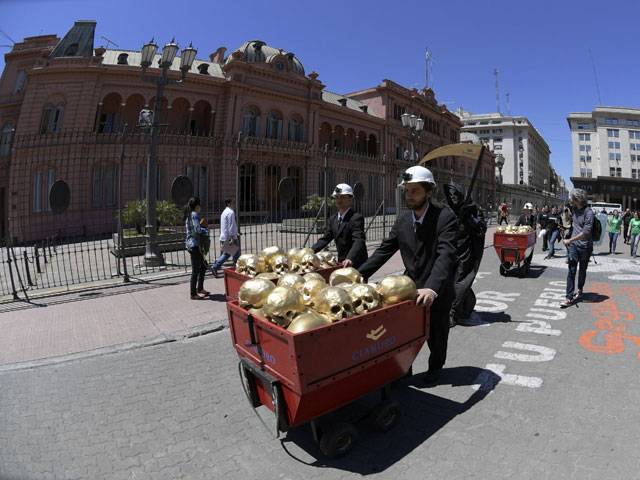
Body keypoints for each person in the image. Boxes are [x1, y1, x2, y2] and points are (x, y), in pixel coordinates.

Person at [358, 166, 458, 384]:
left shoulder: (445, 217)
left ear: (429, 191)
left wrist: (432, 288)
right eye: (407, 191)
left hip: (436, 288)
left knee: (437, 335)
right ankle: (405, 368)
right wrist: (356, 275)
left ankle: (435, 369)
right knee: (403, 334)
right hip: (409, 287)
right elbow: (384, 250)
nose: (409, 196)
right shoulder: (403, 220)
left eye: (415, 191)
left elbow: (445, 256)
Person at [443, 183, 486, 328]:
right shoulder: (446, 209)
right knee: (448, 281)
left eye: (455, 194)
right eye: (450, 195)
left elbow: (481, 227)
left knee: (461, 281)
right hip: (448, 252)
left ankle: (452, 312)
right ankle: (465, 305)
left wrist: (470, 219)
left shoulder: (472, 208)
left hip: (465, 252)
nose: (453, 198)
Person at [312, 183, 368, 268]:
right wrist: (311, 250)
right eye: (336, 197)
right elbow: (326, 238)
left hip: (356, 262)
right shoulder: (333, 219)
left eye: (342, 197)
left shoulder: (356, 218)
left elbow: (358, 240)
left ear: (350, 199)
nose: (339, 200)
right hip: (342, 261)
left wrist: (350, 258)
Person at [561, 189, 594, 308]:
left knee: (582, 271)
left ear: (578, 199)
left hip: (585, 247)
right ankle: (569, 297)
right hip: (574, 247)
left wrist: (570, 240)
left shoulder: (589, 212)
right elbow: (571, 222)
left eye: (572, 198)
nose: (571, 200)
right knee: (571, 270)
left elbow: (586, 232)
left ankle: (580, 289)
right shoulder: (574, 209)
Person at [184, 197, 210, 300]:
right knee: (197, 269)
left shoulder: (189, 215)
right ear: (197, 206)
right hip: (194, 245)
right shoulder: (194, 215)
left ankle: (200, 288)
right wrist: (205, 229)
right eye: (200, 206)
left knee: (203, 266)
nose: (200, 208)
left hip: (191, 245)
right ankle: (193, 293)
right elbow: (197, 230)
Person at [211, 198, 241, 277]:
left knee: (235, 254)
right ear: (228, 204)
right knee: (228, 254)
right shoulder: (231, 212)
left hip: (224, 236)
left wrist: (235, 233)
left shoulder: (224, 212)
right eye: (232, 203)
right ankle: (215, 266)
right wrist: (232, 237)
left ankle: (237, 269)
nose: (234, 205)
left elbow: (227, 225)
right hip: (229, 237)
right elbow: (231, 226)